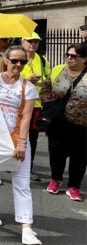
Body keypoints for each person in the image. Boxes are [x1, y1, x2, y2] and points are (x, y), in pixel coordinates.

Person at [0, 45, 42, 245]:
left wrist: (22, 142)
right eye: (14, 60)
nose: (18, 65)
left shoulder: (28, 87)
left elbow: (26, 118)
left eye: (22, 62)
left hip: (17, 139)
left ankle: (27, 228)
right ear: (5, 60)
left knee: (22, 183)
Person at [40, 43, 87, 201]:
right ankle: (55, 179)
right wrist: (50, 105)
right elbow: (45, 89)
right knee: (56, 152)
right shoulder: (57, 70)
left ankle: (74, 187)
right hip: (58, 122)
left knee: (80, 157)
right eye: (68, 54)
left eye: (74, 56)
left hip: (82, 124)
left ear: (85, 58)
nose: (69, 58)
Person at [19, 32, 51, 182]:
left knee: (32, 138)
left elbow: (49, 80)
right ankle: (7, 164)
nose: (33, 44)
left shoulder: (43, 60)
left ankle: (28, 169)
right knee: (13, 136)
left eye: (35, 42)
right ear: (22, 42)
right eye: (29, 41)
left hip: (36, 105)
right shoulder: (17, 58)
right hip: (17, 104)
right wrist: (27, 79)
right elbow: (9, 78)